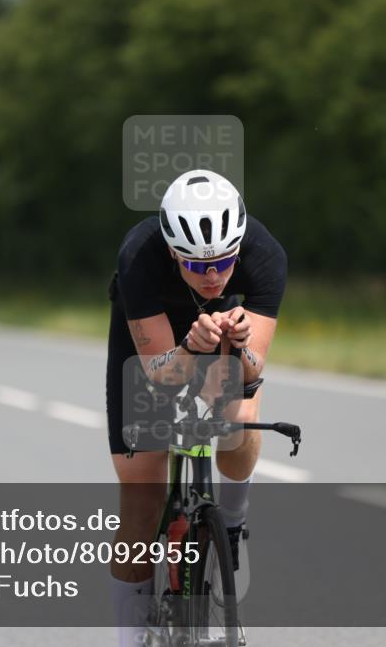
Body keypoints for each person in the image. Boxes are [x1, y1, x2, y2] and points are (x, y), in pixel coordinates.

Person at [106, 169, 287, 646]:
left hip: (227, 328)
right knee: (141, 500)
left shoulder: (265, 256)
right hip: (156, 342)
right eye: (196, 265)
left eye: (224, 262)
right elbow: (162, 376)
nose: (212, 276)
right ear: (171, 251)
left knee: (238, 420)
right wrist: (189, 347)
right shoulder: (140, 256)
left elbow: (253, 371)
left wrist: (240, 344)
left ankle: (231, 524)